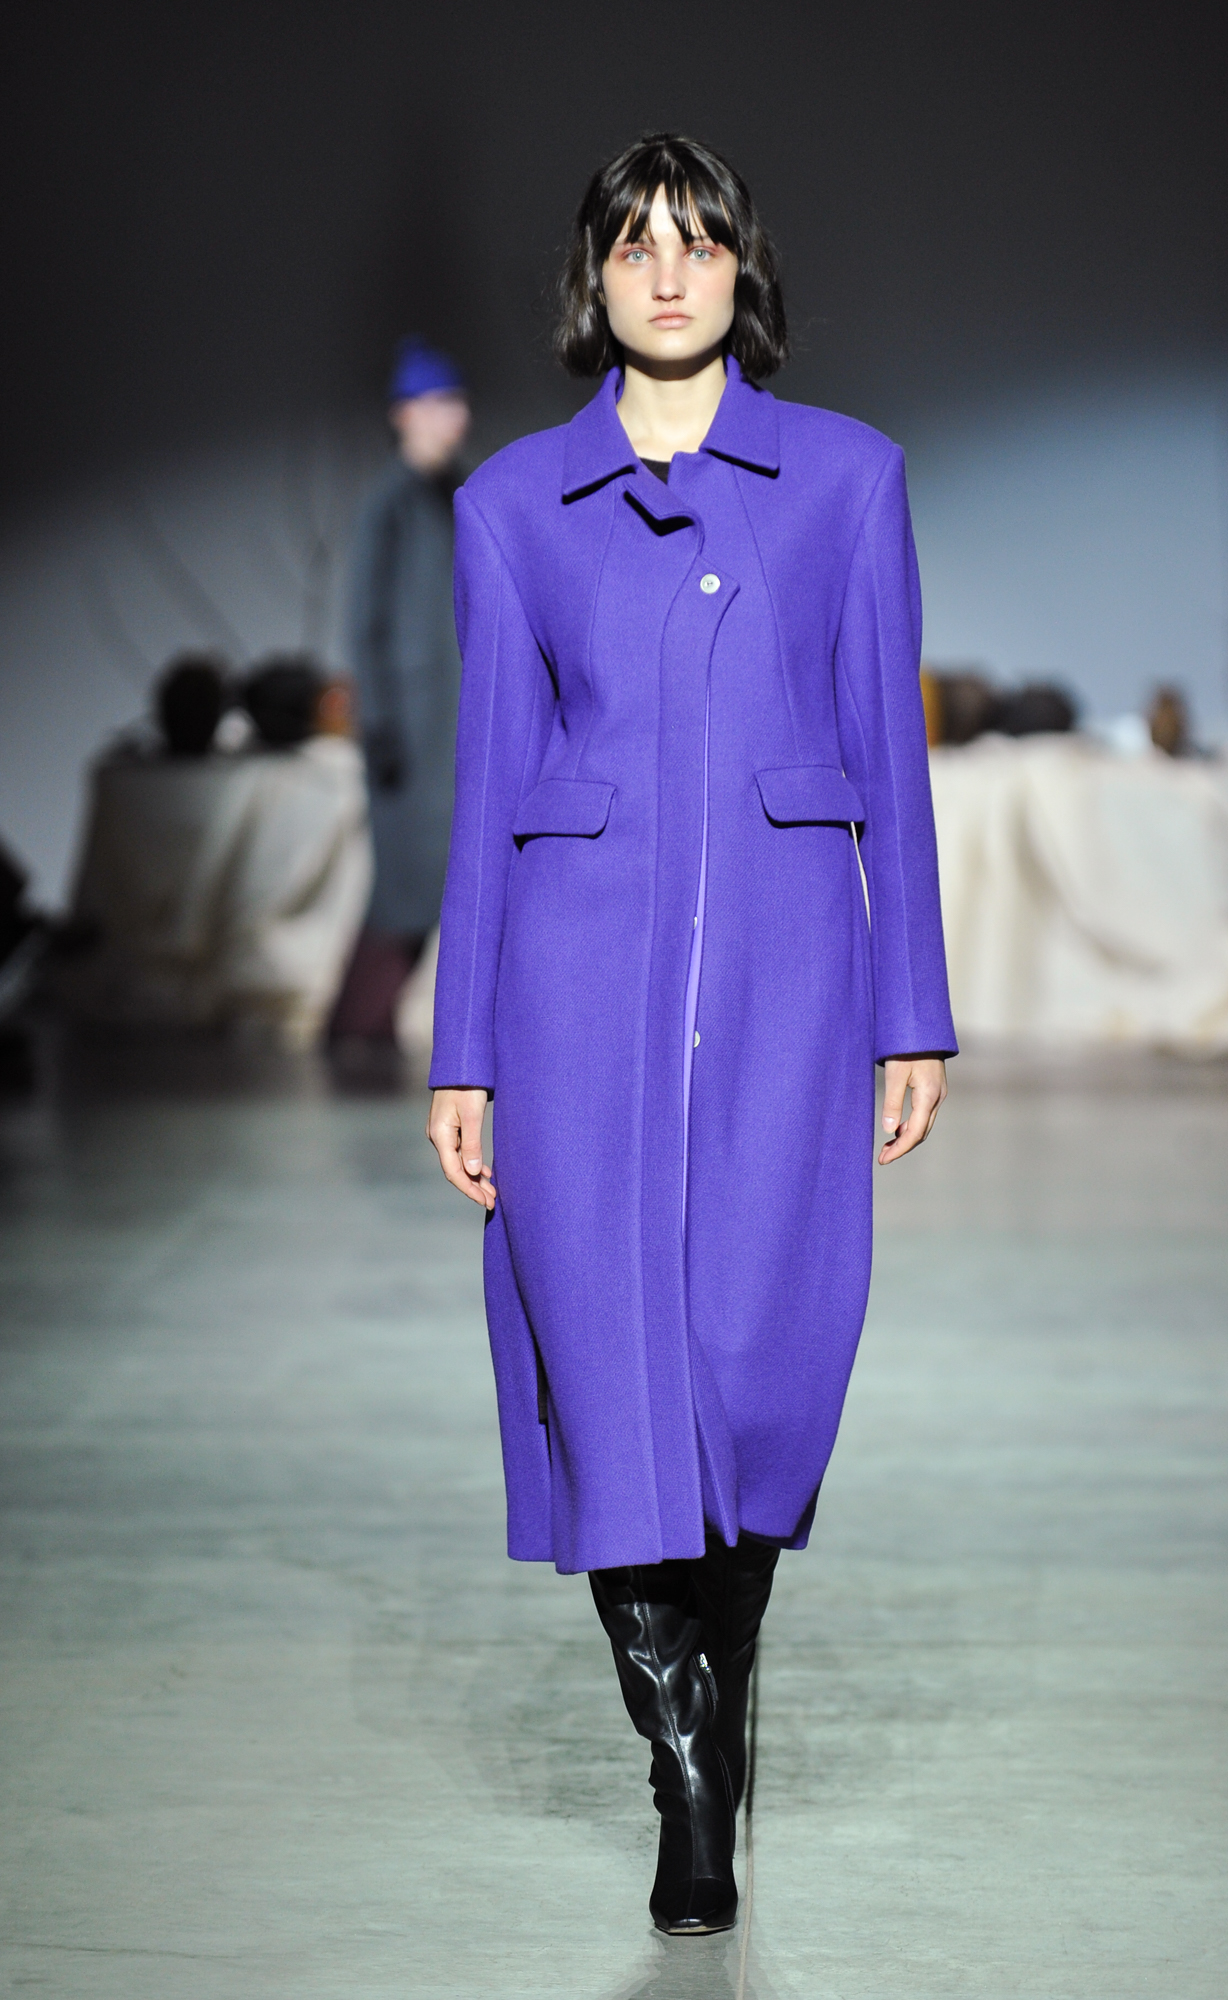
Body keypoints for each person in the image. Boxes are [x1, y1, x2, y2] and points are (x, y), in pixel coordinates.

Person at [426, 134, 955, 1936]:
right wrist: (462, 1051)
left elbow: (889, 756)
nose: (668, 274)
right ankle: (686, 1773)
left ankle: (719, 1694)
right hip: (569, 991)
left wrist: (912, 1010)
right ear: (594, 276)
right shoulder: (513, 505)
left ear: (742, 269)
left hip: (795, 979)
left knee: (752, 1368)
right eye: (636, 245)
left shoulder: (848, 483)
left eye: (699, 243)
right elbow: (489, 783)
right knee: (608, 1368)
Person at [328, 339, 470, 1045]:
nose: (453, 418)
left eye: (455, 402)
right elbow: (364, 621)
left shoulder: (452, 498)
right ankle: (355, 1026)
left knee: (430, 882)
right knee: (405, 887)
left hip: (445, 724)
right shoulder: (389, 504)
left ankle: (364, 1026)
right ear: (402, 414)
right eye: (436, 403)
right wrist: (380, 724)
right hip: (409, 736)